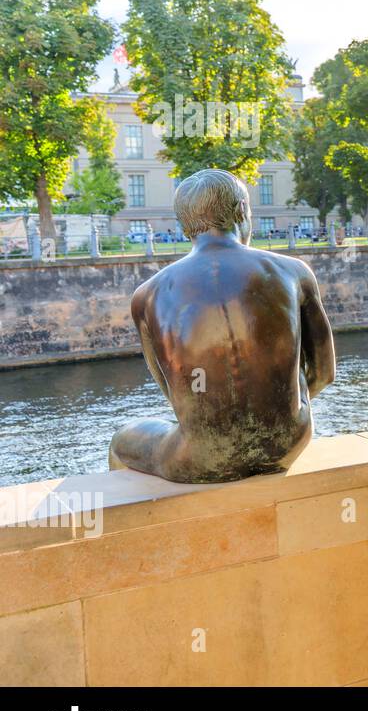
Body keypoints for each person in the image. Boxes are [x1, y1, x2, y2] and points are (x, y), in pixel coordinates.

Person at [110, 169, 335, 482]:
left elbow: (176, 396)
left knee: (122, 440)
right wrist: (276, 408)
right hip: (288, 444)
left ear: (184, 225)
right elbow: (324, 374)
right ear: (242, 211)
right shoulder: (294, 272)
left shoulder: (146, 296)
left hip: (201, 459)